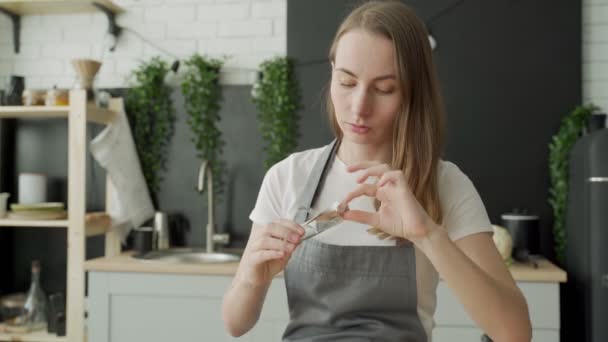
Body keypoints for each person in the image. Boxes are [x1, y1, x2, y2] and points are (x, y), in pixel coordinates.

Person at [222, 1, 532, 341]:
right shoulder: (288, 177)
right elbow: (236, 324)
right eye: (346, 82)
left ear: (414, 93)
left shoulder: (445, 184)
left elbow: (514, 333)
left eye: (384, 89)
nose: (359, 107)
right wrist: (254, 277)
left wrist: (427, 234)